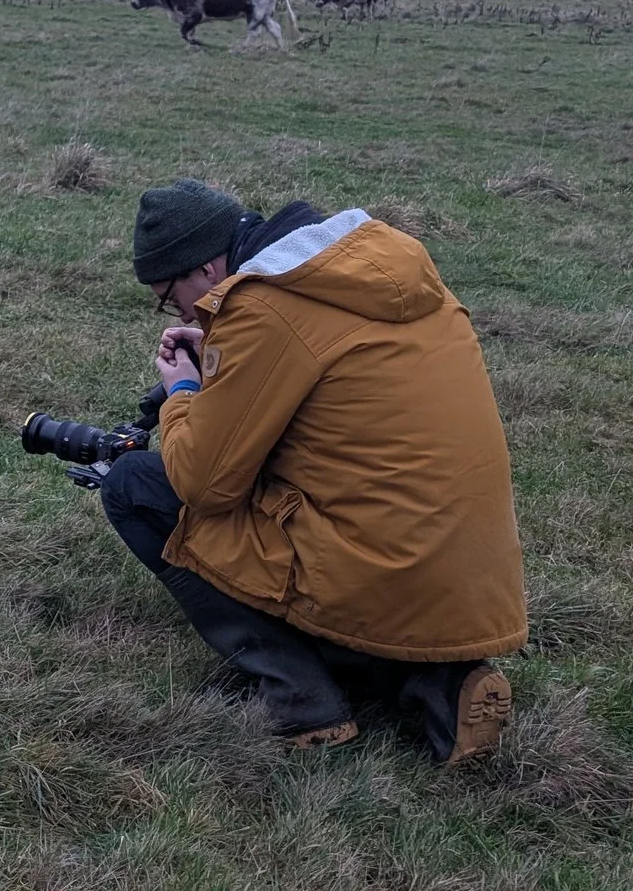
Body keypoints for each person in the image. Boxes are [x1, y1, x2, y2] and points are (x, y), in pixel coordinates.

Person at [99, 178, 526, 763]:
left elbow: (205, 482)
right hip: (470, 583)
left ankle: (302, 700)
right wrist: (232, 349)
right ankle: (441, 683)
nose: (179, 311)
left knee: (136, 485)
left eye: (170, 298)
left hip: (374, 569)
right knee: (351, 513)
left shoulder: (266, 308)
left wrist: (185, 391)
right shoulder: (378, 270)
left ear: (205, 265)